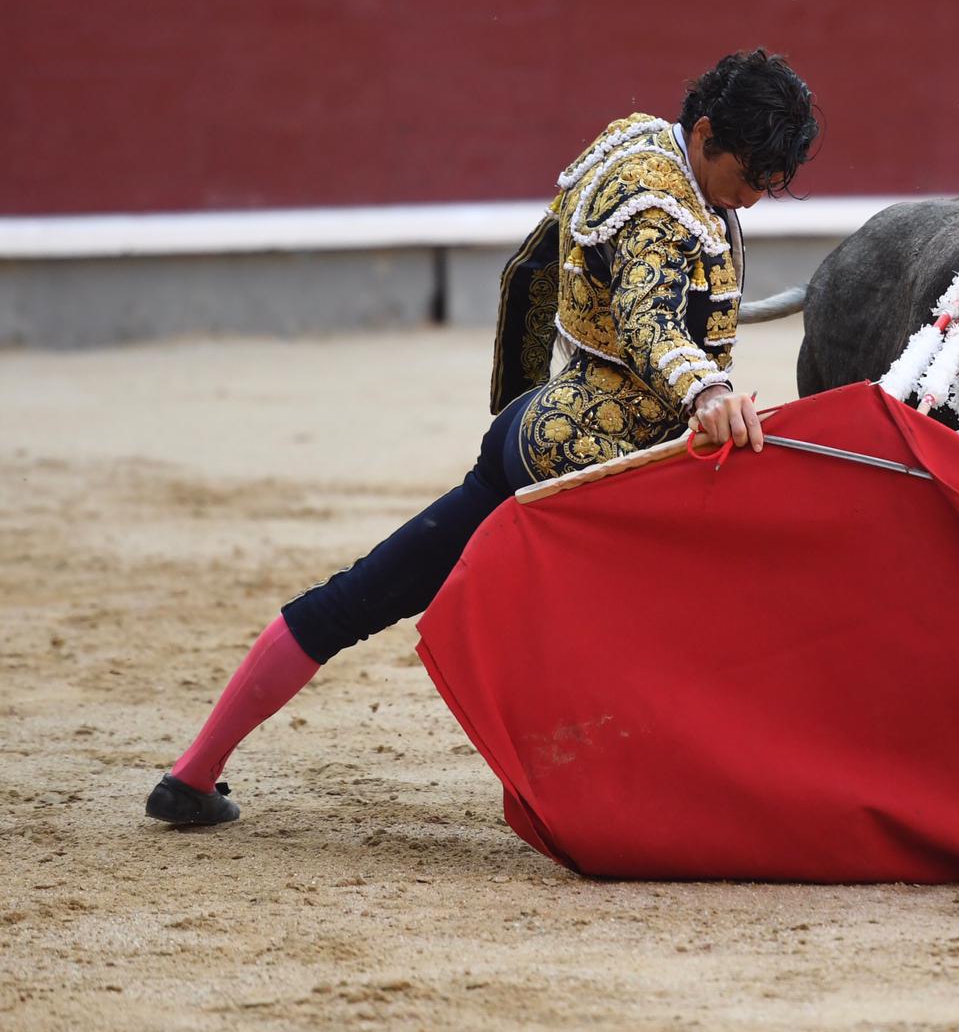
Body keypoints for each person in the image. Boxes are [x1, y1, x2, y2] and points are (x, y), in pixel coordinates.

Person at [145, 49, 820, 826]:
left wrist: (518, 397)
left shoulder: (635, 138)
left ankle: (191, 774)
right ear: (704, 133)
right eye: (752, 176)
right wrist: (707, 389)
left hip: (535, 436)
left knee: (358, 597)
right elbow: (648, 319)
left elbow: (535, 264)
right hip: (590, 467)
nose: (759, 198)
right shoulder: (662, 208)